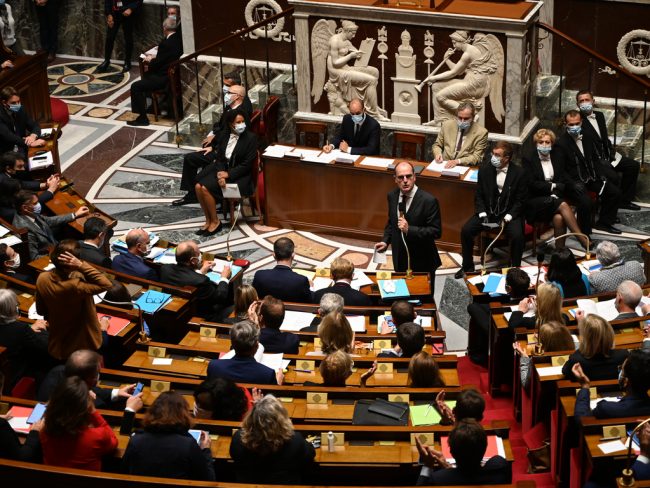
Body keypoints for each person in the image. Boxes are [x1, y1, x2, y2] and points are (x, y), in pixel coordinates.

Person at [173, 79, 253, 207]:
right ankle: (193, 193)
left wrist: (214, 147)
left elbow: (229, 137)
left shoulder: (242, 113)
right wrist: (213, 140)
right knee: (195, 158)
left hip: (224, 153)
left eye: (230, 91)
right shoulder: (230, 107)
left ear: (237, 96)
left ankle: (198, 195)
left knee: (191, 159)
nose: (226, 93)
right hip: (219, 147)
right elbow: (221, 127)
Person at [455, 141, 526, 277]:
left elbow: (520, 201)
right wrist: (482, 213)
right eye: (493, 153)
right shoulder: (484, 170)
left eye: (497, 155)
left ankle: (515, 269)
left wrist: (509, 216)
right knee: (466, 230)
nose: (493, 157)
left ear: (507, 158)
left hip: (509, 214)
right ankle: (467, 266)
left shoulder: (519, 173)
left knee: (517, 236)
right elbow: (479, 195)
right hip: (488, 213)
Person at [35, 240, 112, 361]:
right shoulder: (75, 286)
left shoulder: (42, 278)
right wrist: (81, 265)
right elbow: (106, 284)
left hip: (58, 343)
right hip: (82, 344)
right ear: (73, 263)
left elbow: (40, 310)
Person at [375, 161, 442, 294]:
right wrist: (385, 240)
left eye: (408, 176)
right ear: (395, 179)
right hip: (400, 257)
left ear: (414, 177)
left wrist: (409, 229)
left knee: (423, 298)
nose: (405, 181)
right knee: (402, 295)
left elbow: (436, 231)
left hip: (422, 259)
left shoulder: (429, 200)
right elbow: (392, 222)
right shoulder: (392, 196)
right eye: (401, 177)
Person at [121, 391, 216, 480]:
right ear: (183, 414)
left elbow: (124, 472)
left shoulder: (136, 440)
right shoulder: (188, 444)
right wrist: (206, 450)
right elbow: (208, 479)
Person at [555, 110, 621, 235]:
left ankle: (604, 223)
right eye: (571, 124)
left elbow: (595, 159)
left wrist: (601, 175)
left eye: (577, 123)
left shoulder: (587, 136)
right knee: (586, 202)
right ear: (566, 124)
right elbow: (560, 171)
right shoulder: (561, 144)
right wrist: (572, 184)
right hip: (574, 183)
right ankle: (584, 234)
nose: (574, 127)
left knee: (614, 192)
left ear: (581, 122)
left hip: (591, 178)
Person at [523, 128, 589, 250]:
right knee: (563, 205)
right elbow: (532, 184)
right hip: (535, 201)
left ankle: (560, 252)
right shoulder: (528, 158)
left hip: (554, 199)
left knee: (559, 218)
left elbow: (561, 180)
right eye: (541, 142)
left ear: (552, 143)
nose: (544, 145)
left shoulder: (557, 156)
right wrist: (552, 187)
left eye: (547, 142)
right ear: (536, 143)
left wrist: (555, 192)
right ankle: (583, 240)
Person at [194, 108, 257, 235]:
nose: (241, 124)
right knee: (197, 186)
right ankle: (208, 220)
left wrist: (228, 175)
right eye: (237, 122)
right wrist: (220, 174)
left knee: (206, 189)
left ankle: (216, 222)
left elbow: (246, 165)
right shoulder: (225, 136)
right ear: (230, 124)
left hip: (241, 176)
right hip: (223, 171)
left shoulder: (251, 138)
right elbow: (220, 159)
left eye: (242, 121)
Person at [576, 90, 640, 211]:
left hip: (608, 155)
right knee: (612, 176)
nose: (585, 103)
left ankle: (624, 201)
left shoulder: (599, 115)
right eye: (581, 101)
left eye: (587, 100)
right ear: (577, 104)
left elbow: (603, 138)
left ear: (593, 101)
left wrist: (610, 152)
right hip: (596, 161)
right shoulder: (577, 122)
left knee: (633, 166)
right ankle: (609, 209)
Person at [230, 395, 315, 483]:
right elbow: (310, 454)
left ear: (251, 418)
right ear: (281, 420)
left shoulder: (238, 439)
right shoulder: (295, 441)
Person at [40, 376, 118, 470]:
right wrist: (93, 411)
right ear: (85, 407)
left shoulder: (44, 431)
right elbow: (114, 441)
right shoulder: (98, 436)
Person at [416, 419, 510, 485]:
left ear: (451, 452)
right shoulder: (500, 467)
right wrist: (450, 469)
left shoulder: (438, 479)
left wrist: (428, 465)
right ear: (485, 448)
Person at [467, 267, 530, 365]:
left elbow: (471, 308)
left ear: (508, 288)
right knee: (479, 308)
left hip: (499, 331)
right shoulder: (528, 301)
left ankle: (477, 354)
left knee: (474, 308)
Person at [127, 18, 183, 126]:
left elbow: (156, 65)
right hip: (172, 75)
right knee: (146, 78)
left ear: (164, 28)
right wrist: (157, 58)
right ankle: (152, 107)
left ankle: (143, 118)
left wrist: (150, 60)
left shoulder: (166, 44)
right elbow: (166, 57)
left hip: (163, 79)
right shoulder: (178, 39)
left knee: (135, 86)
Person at [159, 240, 232, 321]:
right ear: (193, 260)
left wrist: (200, 272)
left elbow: (185, 278)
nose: (200, 256)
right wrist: (224, 278)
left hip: (178, 311)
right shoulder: (201, 281)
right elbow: (219, 297)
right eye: (199, 253)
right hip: (201, 317)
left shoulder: (165, 269)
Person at [37, 349, 136, 408]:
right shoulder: (93, 404)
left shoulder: (59, 371)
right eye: (98, 372)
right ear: (92, 380)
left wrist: (116, 393)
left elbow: (91, 389)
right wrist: (129, 410)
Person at [13, 190, 89, 261]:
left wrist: (75, 214)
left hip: (55, 246)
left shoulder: (29, 213)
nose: (38, 205)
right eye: (35, 203)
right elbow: (34, 258)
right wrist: (59, 257)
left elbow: (49, 220)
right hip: (52, 256)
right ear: (25, 208)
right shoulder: (25, 229)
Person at [573, 349, 650, 419]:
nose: (620, 372)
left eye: (622, 370)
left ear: (626, 381)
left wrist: (585, 386)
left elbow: (582, 420)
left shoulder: (606, 409)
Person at [0, 289, 50, 387]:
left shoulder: (21, 329)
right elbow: (46, 347)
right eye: (16, 305)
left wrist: (30, 328)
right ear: (11, 309)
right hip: (16, 373)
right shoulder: (20, 329)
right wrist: (43, 330)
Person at [207, 320, 282, 385]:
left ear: (232, 344)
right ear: (256, 346)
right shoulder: (267, 374)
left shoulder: (214, 366)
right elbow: (272, 397)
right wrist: (278, 384)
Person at [562, 313, 629, 381]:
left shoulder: (576, 360)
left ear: (585, 338)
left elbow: (565, 372)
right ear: (609, 333)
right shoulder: (624, 356)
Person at [0, 151, 60, 221]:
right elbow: (30, 205)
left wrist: (45, 184)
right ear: (8, 169)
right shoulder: (4, 183)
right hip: (17, 216)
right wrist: (51, 190)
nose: (23, 169)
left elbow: (22, 184)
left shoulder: (6, 175)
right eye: (20, 167)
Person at [514, 321, 575, 388]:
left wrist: (524, 358)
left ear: (545, 343)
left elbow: (525, 382)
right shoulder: (574, 356)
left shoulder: (538, 362)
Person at [252, 237, 312, 303]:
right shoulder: (301, 280)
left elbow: (254, 297)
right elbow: (309, 301)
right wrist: (309, 287)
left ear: (274, 255)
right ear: (293, 255)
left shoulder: (259, 275)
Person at [432, 102, 488, 168]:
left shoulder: (481, 132)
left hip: (465, 167)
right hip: (444, 164)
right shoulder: (447, 125)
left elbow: (477, 157)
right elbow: (437, 145)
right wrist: (437, 154)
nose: (462, 121)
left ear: (473, 117)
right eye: (460, 118)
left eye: (466, 118)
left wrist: (457, 161)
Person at [97, 0, 142, 73]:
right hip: (114, 13)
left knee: (128, 37)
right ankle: (106, 61)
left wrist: (131, 8)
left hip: (128, 13)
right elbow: (107, 1)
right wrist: (109, 14)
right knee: (110, 37)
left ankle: (127, 62)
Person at [0, 87, 45, 156]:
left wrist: (33, 135)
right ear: (4, 103)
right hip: (7, 152)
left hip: (22, 147)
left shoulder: (21, 109)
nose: (17, 105)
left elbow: (34, 125)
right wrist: (29, 143)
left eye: (19, 101)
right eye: (13, 103)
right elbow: (8, 136)